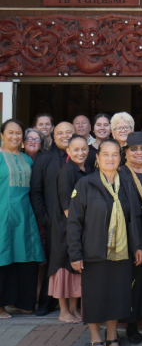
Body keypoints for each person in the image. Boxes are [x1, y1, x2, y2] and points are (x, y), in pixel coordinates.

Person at [67, 140, 142, 346]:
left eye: (115, 155)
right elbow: (74, 222)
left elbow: (133, 219)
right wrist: (75, 254)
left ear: (120, 159)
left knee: (117, 297)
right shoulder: (85, 184)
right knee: (95, 299)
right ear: (98, 159)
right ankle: (95, 342)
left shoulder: (127, 183)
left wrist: (138, 246)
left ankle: (112, 340)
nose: (110, 158)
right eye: (106, 155)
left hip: (121, 253)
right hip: (93, 252)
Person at [0, 119, 45, 319]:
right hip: (3, 215)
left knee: (26, 258)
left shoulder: (27, 160)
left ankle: (23, 302)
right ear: (2, 135)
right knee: (4, 258)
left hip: (25, 216)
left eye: (19, 133)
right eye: (10, 133)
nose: (15, 137)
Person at [30, 121, 74, 316]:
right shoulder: (44, 159)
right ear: (53, 137)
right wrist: (45, 218)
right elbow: (36, 191)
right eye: (60, 133)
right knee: (53, 262)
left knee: (76, 260)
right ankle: (48, 302)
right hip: (52, 221)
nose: (65, 136)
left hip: (79, 221)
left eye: (69, 132)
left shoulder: (84, 157)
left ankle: (76, 303)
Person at [119, 132, 142, 344]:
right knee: (131, 283)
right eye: (134, 149)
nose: (139, 153)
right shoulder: (119, 175)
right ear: (126, 152)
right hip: (129, 237)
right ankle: (130, 326)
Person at [48, 135, 90, 324]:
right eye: (76, 150)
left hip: (80, 226)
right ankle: (63, 310)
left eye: (83, 149)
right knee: (63, 268)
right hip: (67, 227)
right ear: (68, 151)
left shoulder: (86, 168)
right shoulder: (66, 171)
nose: (80, 153)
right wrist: (77, 226)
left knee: (76, 269)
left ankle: (74, 308)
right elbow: (66, 207)